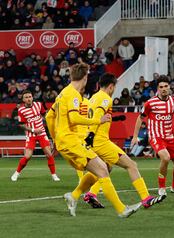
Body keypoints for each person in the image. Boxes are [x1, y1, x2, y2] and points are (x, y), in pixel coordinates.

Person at [45, 63, 140, 218]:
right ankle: (122, 210)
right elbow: (74, 118)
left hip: (67, 142)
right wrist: (98, 120)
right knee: (103, 169)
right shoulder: (74, 95)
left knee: (102, 169)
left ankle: (74, 196)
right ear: (85, 77)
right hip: (71, 141)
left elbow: (49, 117)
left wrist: (55, 138)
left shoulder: (62, 93)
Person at [82, 73, 166, 208]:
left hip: (92, 141)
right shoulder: (105, 98)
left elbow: (96, 116)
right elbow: (98, 115)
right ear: (111, 86)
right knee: (131, 165)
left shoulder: (93, 97)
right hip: (100, 141)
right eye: (114, 87)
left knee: (107, 168)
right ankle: (145, 198)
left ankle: (91, 194)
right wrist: (91, 134)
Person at [131, 75, 174, 196]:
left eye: (166, 86)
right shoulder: (150, 103)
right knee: (166, 157)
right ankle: (162, 187)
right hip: (156, 136)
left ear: (169, 87)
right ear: (158, 88)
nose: (164, 89)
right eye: (161, 87)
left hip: (169, 137)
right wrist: (135, 136)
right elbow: (140, 118)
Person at [11, 90, 60, 182]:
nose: (29, 99)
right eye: (26, 97)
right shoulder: (21, 110)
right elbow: (21, 125)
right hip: (31, 134)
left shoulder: (38, 105)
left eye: (30, 97)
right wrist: (33, 130)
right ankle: (16, 173)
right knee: (28, 156)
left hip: (42, 133)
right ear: (23, 99)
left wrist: (51, 117)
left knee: (49, 154)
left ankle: (54, 175)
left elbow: (44, 115)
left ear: (32, 97)